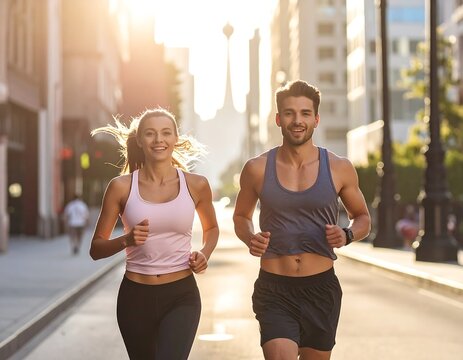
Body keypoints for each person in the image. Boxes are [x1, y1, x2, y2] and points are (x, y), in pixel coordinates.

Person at [233, 80, 371, 360]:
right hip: (274, 288)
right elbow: (241, 216)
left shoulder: (339, 168)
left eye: (305, 113)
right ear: (278, 118)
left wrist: (347, 235)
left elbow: (363, 218)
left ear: (316, 119)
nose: (297, 120)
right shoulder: (257, 169)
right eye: (289, 113)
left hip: (321, 289)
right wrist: (250, 238)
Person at [89, 108, 219, 359]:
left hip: (181, 295)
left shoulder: (197, 185)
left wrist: (204, 253)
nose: (158, 140)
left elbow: (211, 228)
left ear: (176, 138)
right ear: (139, 140)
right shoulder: (120, 187)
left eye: (166, 133)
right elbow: (96, 248)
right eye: (150, 134)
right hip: (135, 297)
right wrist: (126, 239)